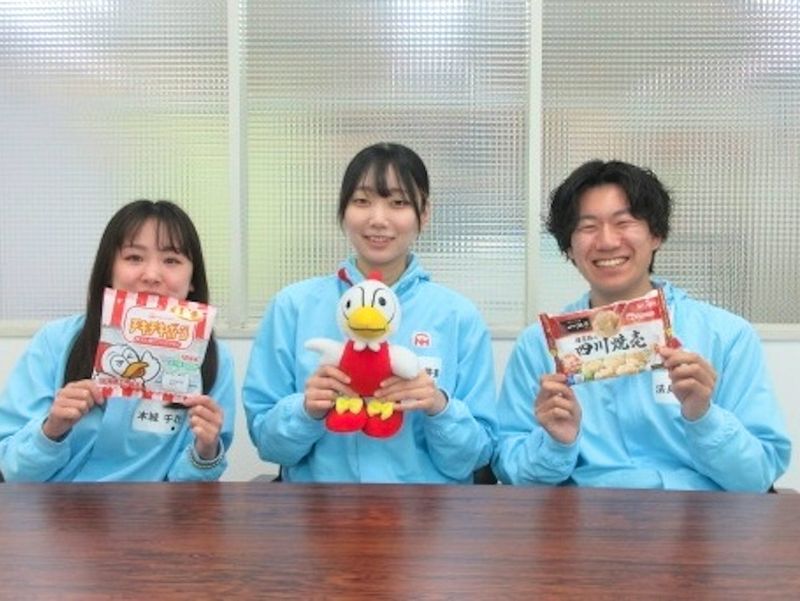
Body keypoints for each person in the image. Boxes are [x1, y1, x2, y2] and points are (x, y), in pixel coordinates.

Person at [493, 160, 791, 491]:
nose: (607, 241)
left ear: (656, 235)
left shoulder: (727, 336)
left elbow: (757, 478)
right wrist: (556, 443)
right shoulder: (540, 345)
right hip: (582, 516)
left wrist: (704, 416)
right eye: (588, 227)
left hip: (697, 515)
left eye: (624, 222)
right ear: (568, 247)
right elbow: (511, 470)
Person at [243, 142, 497, 483]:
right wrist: (306, 410)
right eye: (362, 201)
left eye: (398, 203)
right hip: (321, 509)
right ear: (343, 210)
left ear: (424, 213)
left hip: (424, 511)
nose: (378, 220)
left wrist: (439, 406)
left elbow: (477, 456)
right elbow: (268, 445)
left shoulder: (458, 317)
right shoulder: (292, 307)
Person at [0, 200, 235, 481]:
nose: (151, 276)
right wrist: (52, 430)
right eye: (134, 258)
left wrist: (206, 451)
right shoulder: (55, 342)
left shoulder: (212, 358)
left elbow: (187, 488)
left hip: (153, 508)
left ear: (192, 278)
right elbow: (13, 471)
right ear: (109, 270)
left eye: (171, 260)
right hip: (56, 506)